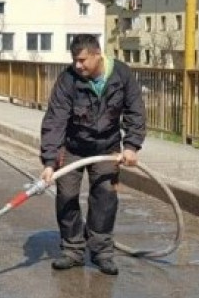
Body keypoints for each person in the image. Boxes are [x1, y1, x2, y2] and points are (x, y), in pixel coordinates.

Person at [39, 34, 146, 276]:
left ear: (98, 54)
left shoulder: (121, 75)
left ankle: (101, 252)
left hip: (107, 148)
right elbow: (55, 120)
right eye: (74, 60)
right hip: (72, 147)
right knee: (66, 195)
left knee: (105, 197)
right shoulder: (68, 80)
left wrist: (131, 146)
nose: (77, 65)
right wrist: (48, 162)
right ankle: (73, 250)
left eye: (82, 60)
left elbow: (135, 111)